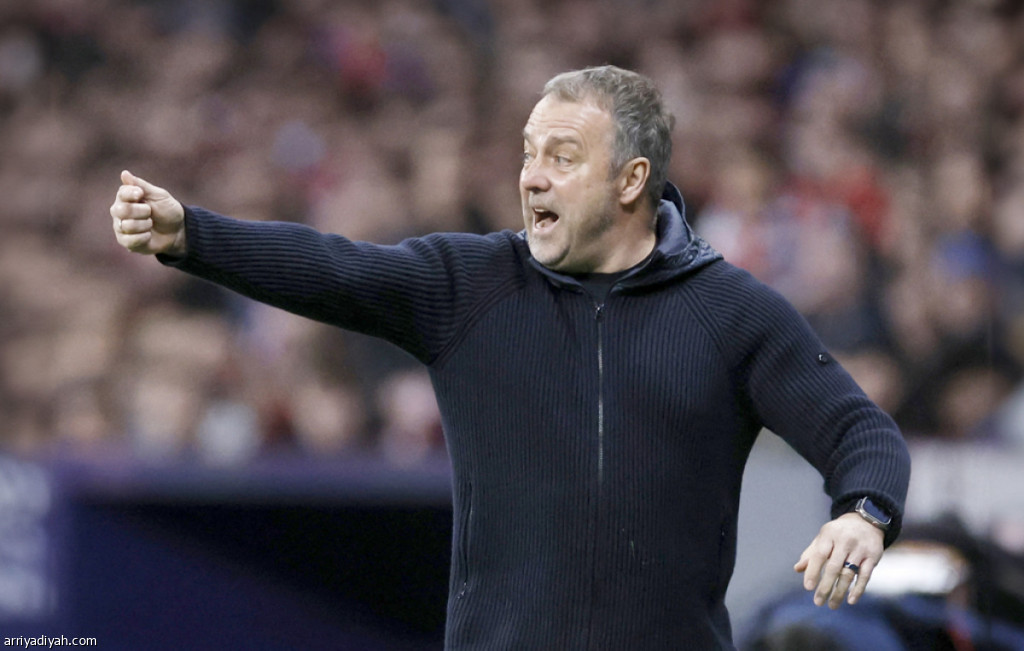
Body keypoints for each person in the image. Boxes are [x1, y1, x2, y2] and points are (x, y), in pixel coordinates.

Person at [110, 65, 911, 649]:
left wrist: (863, 512)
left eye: (562, 155)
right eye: (528, 153)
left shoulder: (730, 312)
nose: (532, 177)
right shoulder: (468, 286)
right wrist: (192, 234)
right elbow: (336, 268)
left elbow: (859, 430)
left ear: (631, 179)